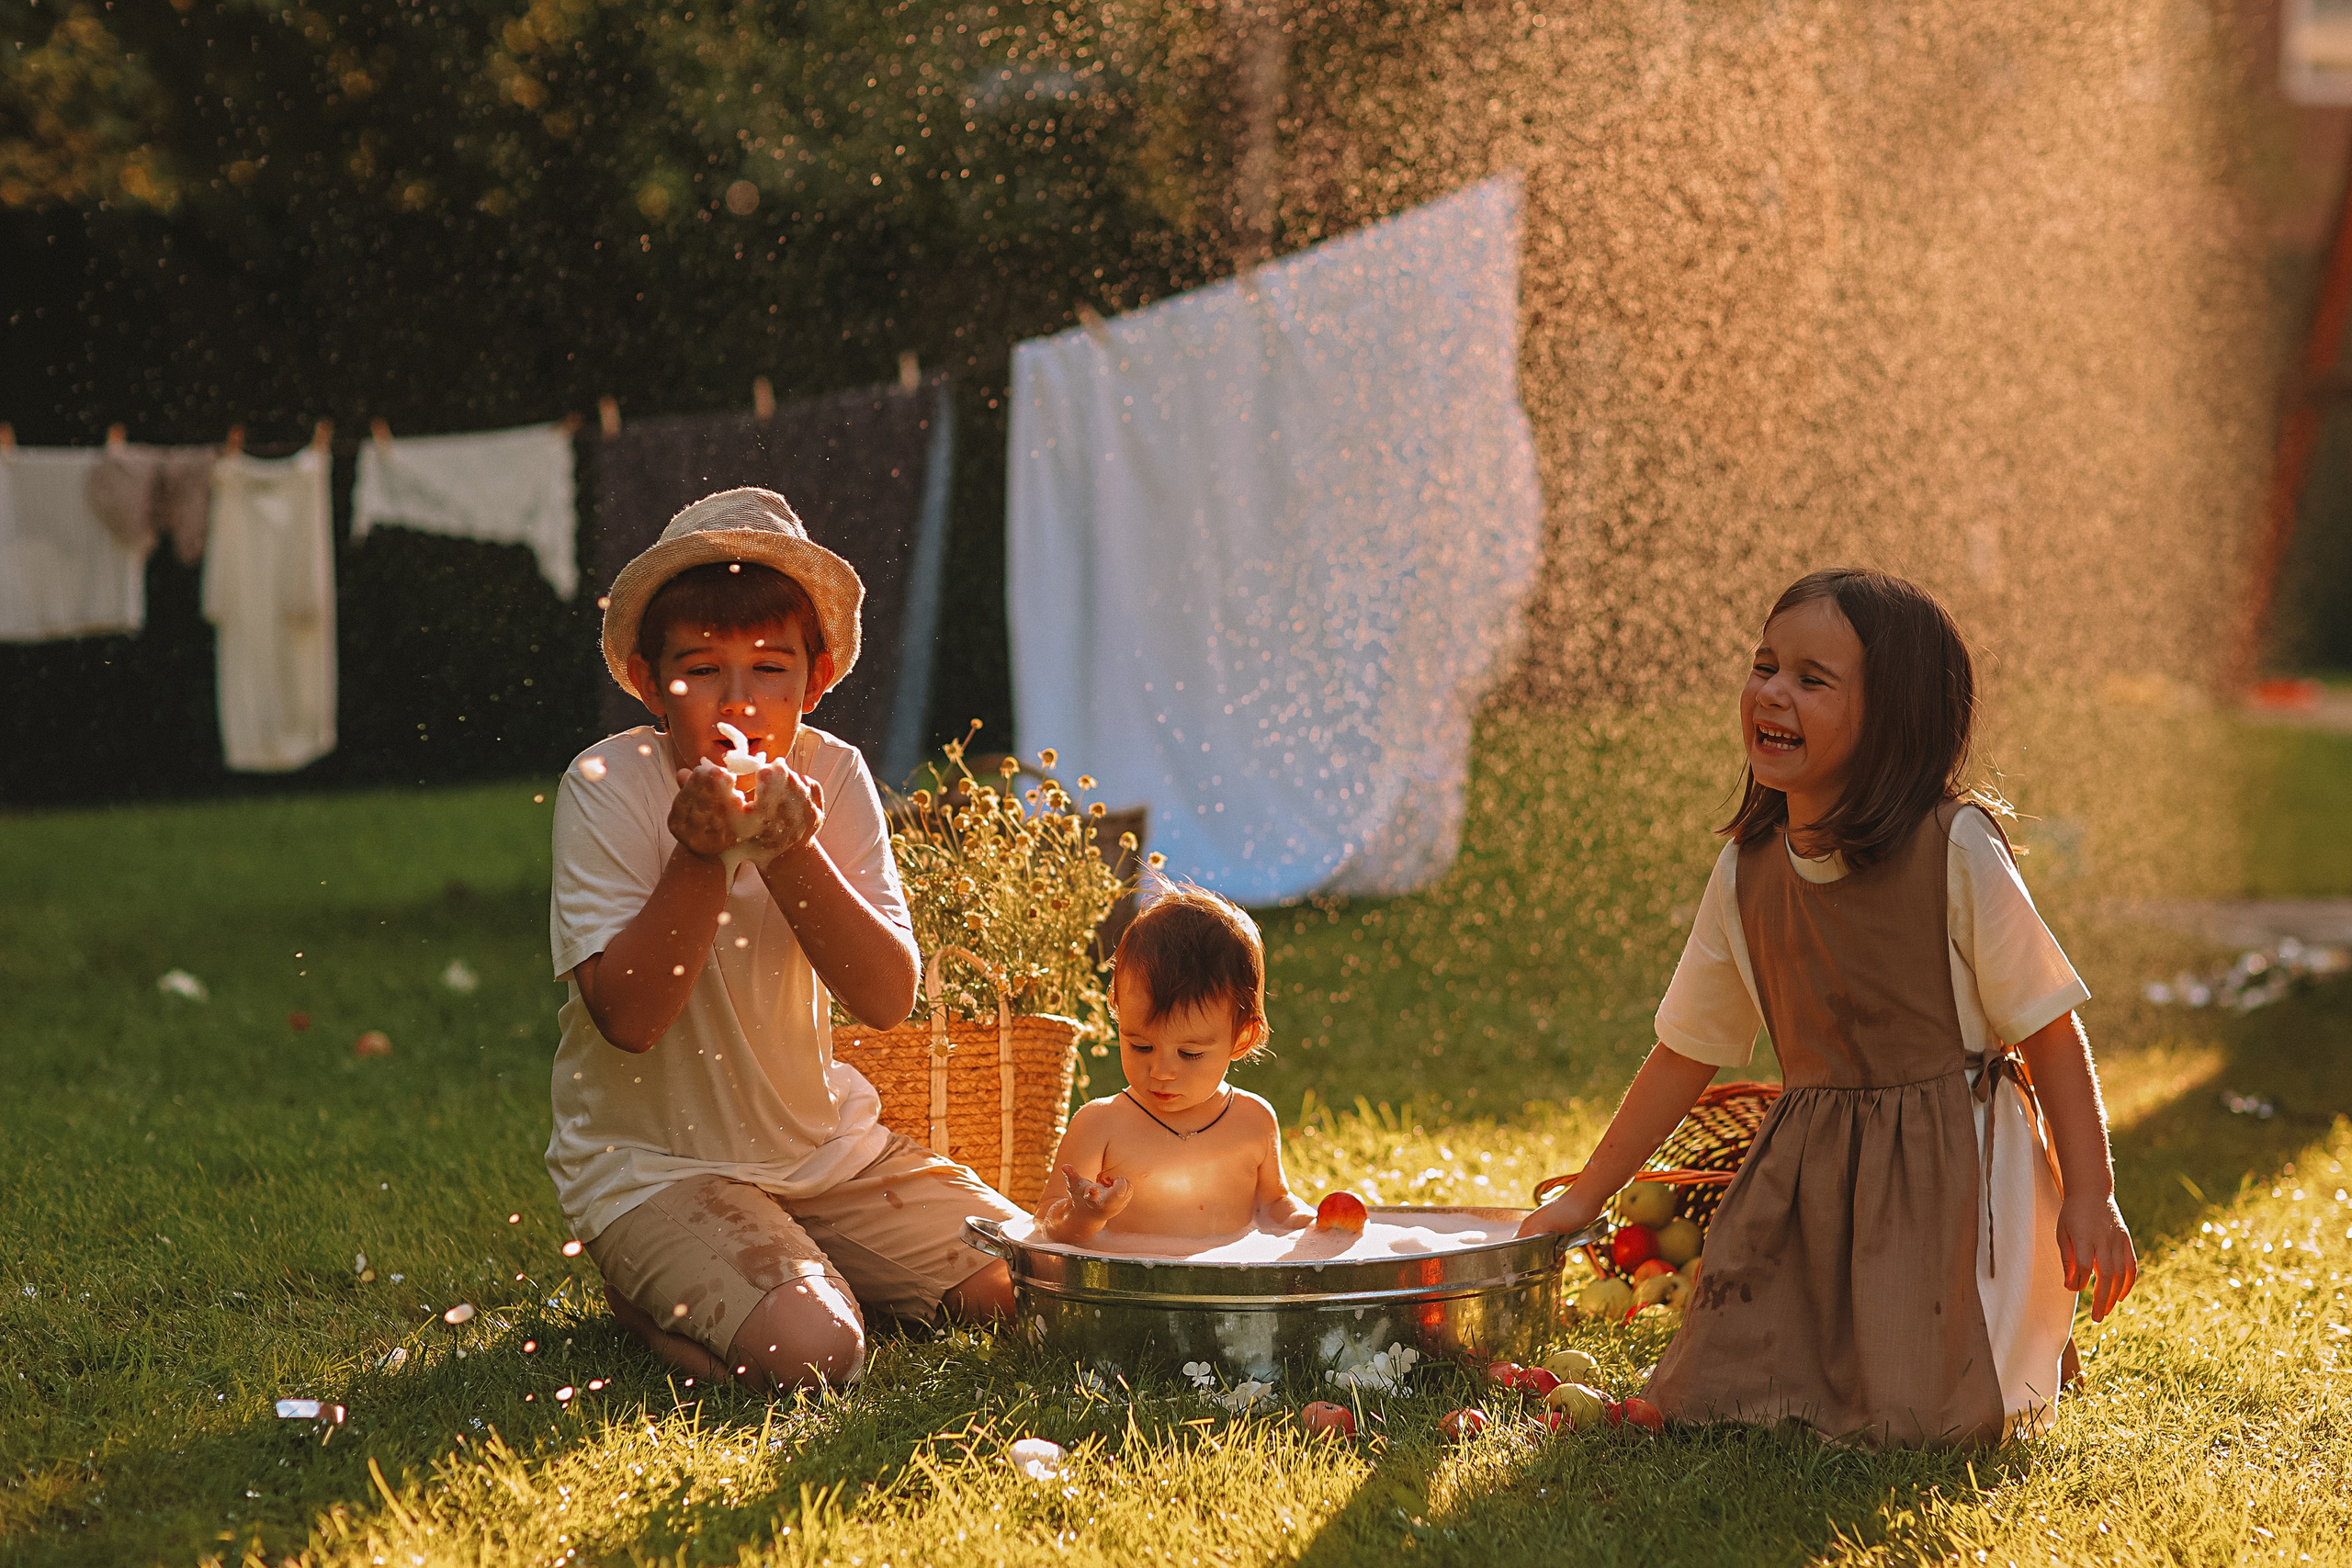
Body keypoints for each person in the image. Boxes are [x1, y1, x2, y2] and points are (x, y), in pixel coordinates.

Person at [1521, 568, 2137, 1446]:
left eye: (1813, 679)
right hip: (1805, 1186)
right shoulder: (1747, 869)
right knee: (1716, 1392)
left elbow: (2050, 1029)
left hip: (1951, 1177)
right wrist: (1586, 1196)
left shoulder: (1955, 847)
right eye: (1765, 665)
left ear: (1894, 717)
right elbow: (1685, 1050)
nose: (1774, 692)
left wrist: (2091, 1196)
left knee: (1923, 1417)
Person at [546, 486, 1020, 1393]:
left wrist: (790, 846)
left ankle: (801, 1273)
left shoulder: (832, 774)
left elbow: (886, 998)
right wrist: (701, 854)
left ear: (818, 677)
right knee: (816, 1353)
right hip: (656, 1168)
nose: (738, 704)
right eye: (700, 670)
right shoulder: (607, 783)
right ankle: (654, 1298)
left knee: (1034, 1285)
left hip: (826, 1152)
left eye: (770, 669)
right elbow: (631, 1020)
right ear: (646, 680)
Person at [1032, 883, 1317, 1246]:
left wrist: (1312, 1224)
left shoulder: (1253, 1121)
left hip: (1228, 1280)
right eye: (1141, 1046)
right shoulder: (1100, 1126)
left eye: (1190, 1053)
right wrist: (1084, 1216)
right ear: (1118, 1015)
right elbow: (1044, 1227)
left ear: (1242, 1038)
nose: (1161, 1071)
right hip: (1129, 1279)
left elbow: (1275, 1204)